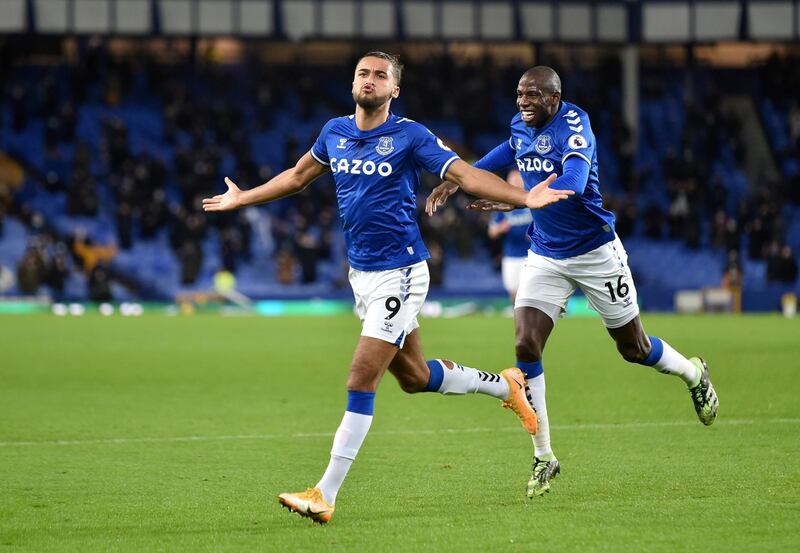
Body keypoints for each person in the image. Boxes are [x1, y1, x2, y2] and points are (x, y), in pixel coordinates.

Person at [202, 52, 574, 523]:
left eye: (381, 75)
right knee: (415, 377)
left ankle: (325, 493)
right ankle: (505, 386)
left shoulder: (410, 135)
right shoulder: (333, 132)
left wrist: (524, 195)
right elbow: (298, 177)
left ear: (394, 90)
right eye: (363, 73)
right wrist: (243, 197)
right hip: (363, 274)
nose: (370, 80)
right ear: (352, 82)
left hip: (401, 273)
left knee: (361, 377)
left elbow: (462, 173)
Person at [427, 66, 719, 499]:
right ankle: (544, 456)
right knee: (526, 345)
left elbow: (577, 181)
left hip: (596, 253)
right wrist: (459, 179)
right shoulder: (520, 124)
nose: (522, 101)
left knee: (633, 349)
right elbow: (510, 151)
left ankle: (694, 373)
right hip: (545, 253)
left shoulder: (575, 127)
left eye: (532, 95)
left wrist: (530, 197)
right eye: (519, 94)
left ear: (554, 97)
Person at [487, 169, 532, 304]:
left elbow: (545, 226)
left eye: (518, 180)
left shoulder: (531, 202)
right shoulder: (502, 205)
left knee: (530, 292)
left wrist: (536, 235)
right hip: (511, 255)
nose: (516, 183)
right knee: (513, 293)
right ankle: (520, 319)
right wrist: (501, 228)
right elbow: (491, 232)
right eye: (513, 180)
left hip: (532, 255)